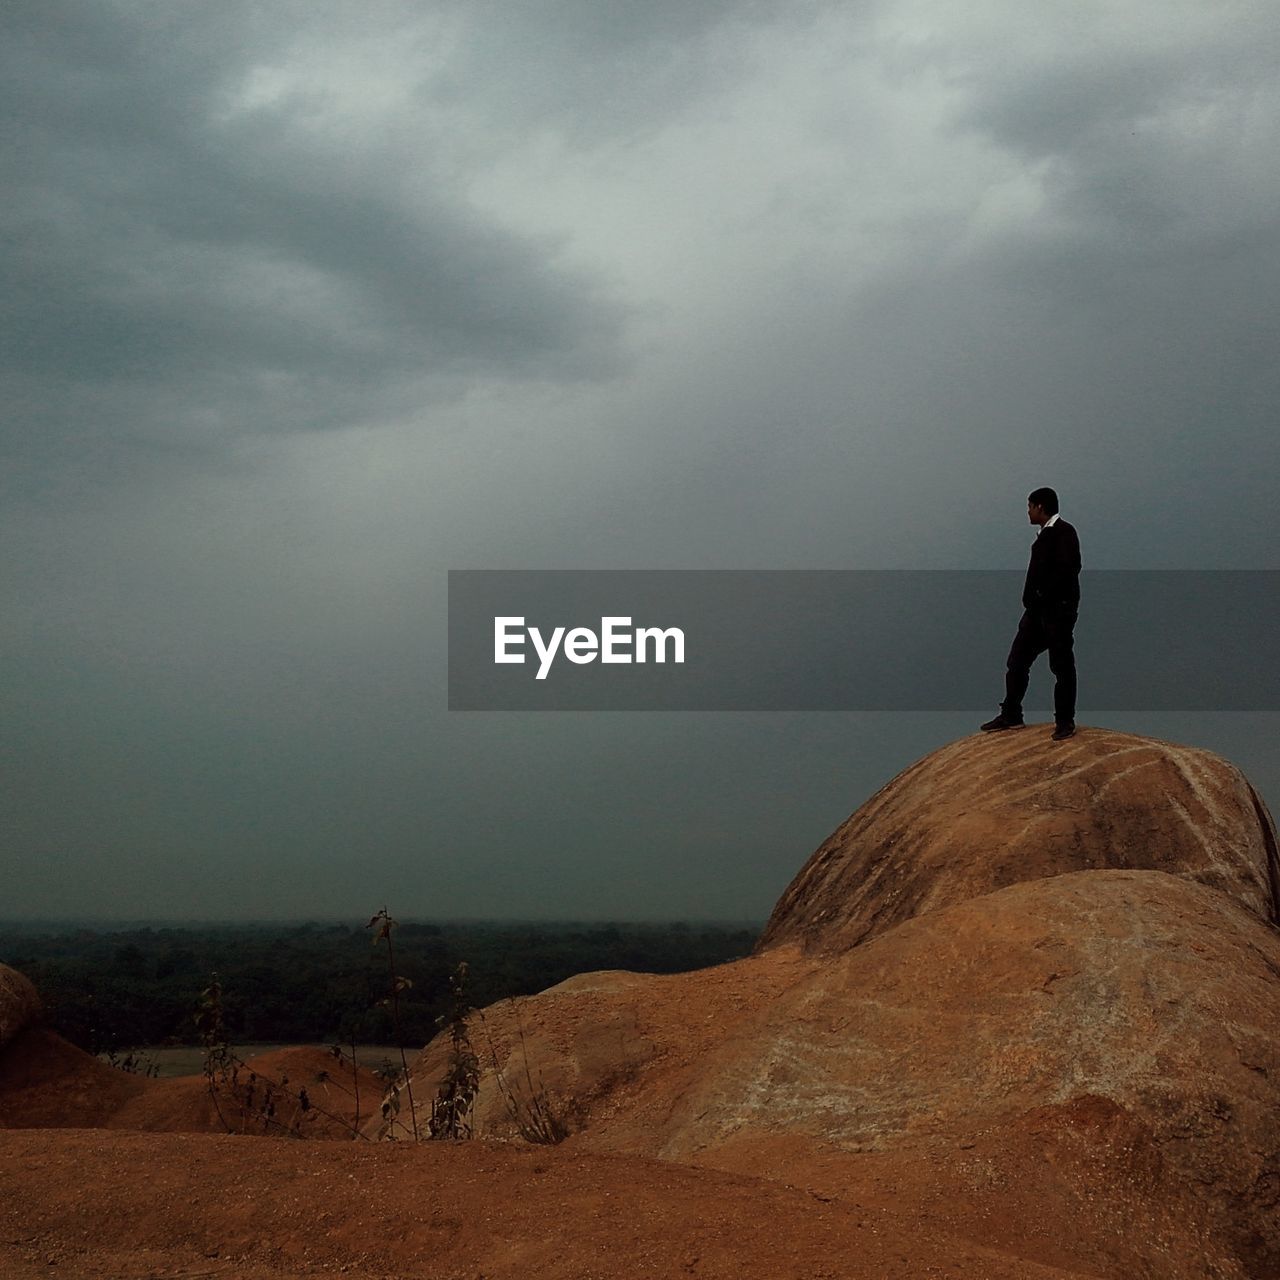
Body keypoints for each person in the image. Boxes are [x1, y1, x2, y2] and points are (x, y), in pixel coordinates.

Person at [981, 487, 1081, 740]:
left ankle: (1065, 721)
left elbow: (1069, 568)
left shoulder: (1064, 532)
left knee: (1061, 665)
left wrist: (1044, 596)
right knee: (1017, 661)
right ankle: (1011, 714)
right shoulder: (1043, 536)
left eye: (1029, 506)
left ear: (1040, 507)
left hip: (1057, 612)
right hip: (1036, 614)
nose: (1027, 511)